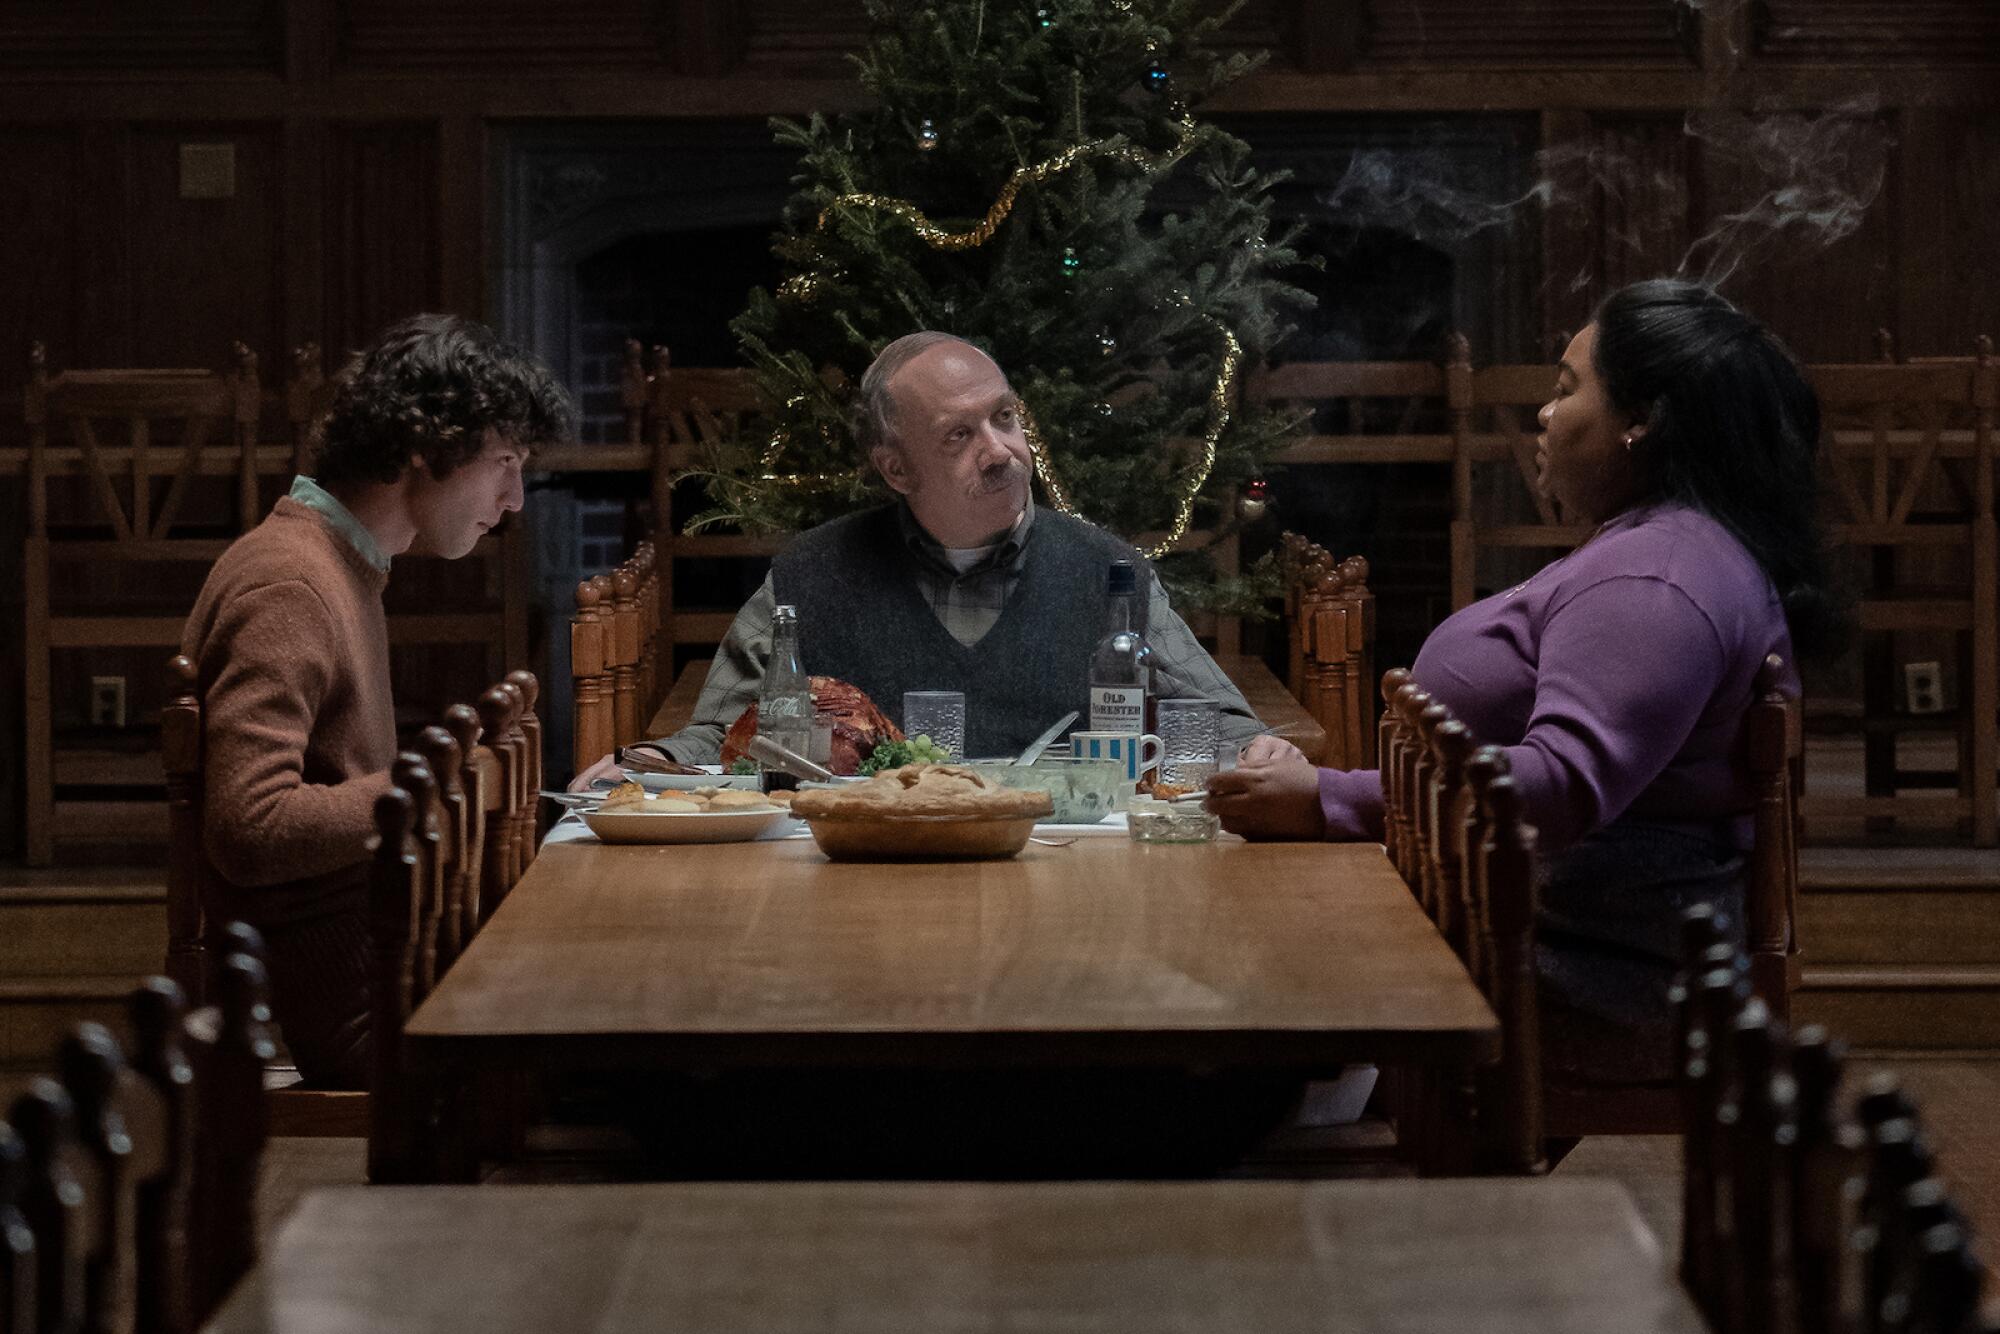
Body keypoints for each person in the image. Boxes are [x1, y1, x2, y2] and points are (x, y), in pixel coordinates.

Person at [1209, 278, 1845, 1079]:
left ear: (1641, 421)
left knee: (1212, 979)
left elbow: (1557, 786)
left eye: (1567, 389)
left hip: (1580, 966)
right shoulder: (1658, 548)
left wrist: (1329, 800)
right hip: (1529, 923)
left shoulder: (1657, 576)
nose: (1545, 415)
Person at [576, 331, 1262, 780]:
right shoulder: (814, 574)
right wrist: (646, 762)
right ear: (897, 470)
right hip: (870, 886)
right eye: (959, 435)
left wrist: (1260, 755)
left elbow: (1221, 723)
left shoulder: (1106, 570)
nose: (999, 451)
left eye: (1004, 418)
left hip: (1064, 875)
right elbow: (727, 733)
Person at [182, 314, 574, 1089]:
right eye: (504, 461)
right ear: (428, 449)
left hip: (388, 964)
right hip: (360, 1015)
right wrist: (435, 785)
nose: (517, 498)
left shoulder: (338, 566)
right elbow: (248, 826)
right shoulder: (290, 583)